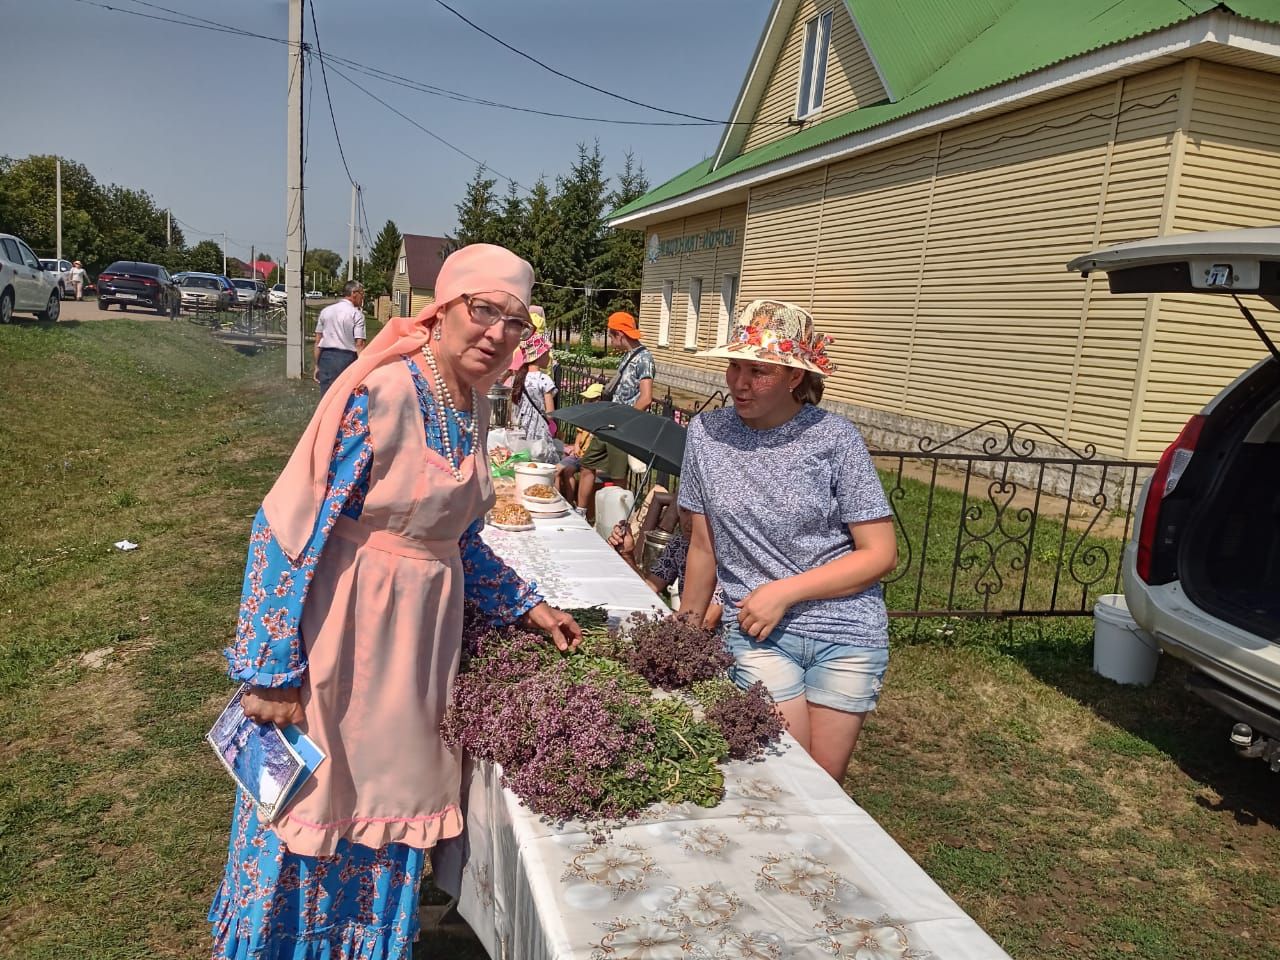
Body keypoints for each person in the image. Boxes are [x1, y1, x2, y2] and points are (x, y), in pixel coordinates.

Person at [210, 244, 582, 960]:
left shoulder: (471, 406)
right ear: (441, 311)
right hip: (342, 640)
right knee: (315, 802)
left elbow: (454, 540)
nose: (497, 334)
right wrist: (272, 670)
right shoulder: (376, 396)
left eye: (514, 322)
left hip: (418, 654)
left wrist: (527, 604)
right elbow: (288, 532)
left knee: (390, 809)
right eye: (483, 311)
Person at [677, 299, 898, 783]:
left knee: (825, 788)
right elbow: (702, 545)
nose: (738, 382)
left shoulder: (834, 438)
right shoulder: (706, 434)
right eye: (735, 365)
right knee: (788, 778)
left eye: (758, 371)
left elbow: (880, 553)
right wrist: (686, 636)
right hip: (758, 633)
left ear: (794, 377)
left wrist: (785, 591)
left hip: (847, 633)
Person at [577, 311, 654, 519]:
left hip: (622, 427)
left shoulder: (644, 359)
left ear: (620, 334)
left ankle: (618, 523)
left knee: (618, 477)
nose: (611, 341)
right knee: (587, 463)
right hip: (609, 423)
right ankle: (581, 513)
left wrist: (626, 420)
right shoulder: (628, 356)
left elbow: (646, 397)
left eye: (611, 336)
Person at [608, 504, 724, 630]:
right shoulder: (678, 544)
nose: (689, 521)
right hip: (687, 628)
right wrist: (627, 554)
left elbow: (708, 621)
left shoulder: (725, 554)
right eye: (685, 511)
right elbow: (649, 588)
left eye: (697, 513)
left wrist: (664, 623)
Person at [312, 280, 368, 395]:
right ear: (354, 293)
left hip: (326, 358)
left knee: (327, 398)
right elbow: (359, 344)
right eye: (362, 294)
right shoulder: (356, 314)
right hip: (346, 359)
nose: (362, 298)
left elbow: (318, 340)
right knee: (344, 398)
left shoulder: (325, 312)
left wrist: (317, 365)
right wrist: (363, 370)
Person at [510, 332, 558, 460]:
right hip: (539, 432)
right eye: (547, 353)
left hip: (522, 431)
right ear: (540, 355)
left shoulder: (518, 378)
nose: (549, 356)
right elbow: (550, 413)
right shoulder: (544, 379)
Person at [555, 382, 603, 502]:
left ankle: (570, 500)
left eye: (591, 400)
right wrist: (576, 446)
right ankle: (565, 500)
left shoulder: (602, 419)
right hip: (579, 454)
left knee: (573, 471)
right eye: (586, 400)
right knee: (558, 470)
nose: (587, 402)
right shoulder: (586, 416)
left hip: (590, 458)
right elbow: (579, 433)